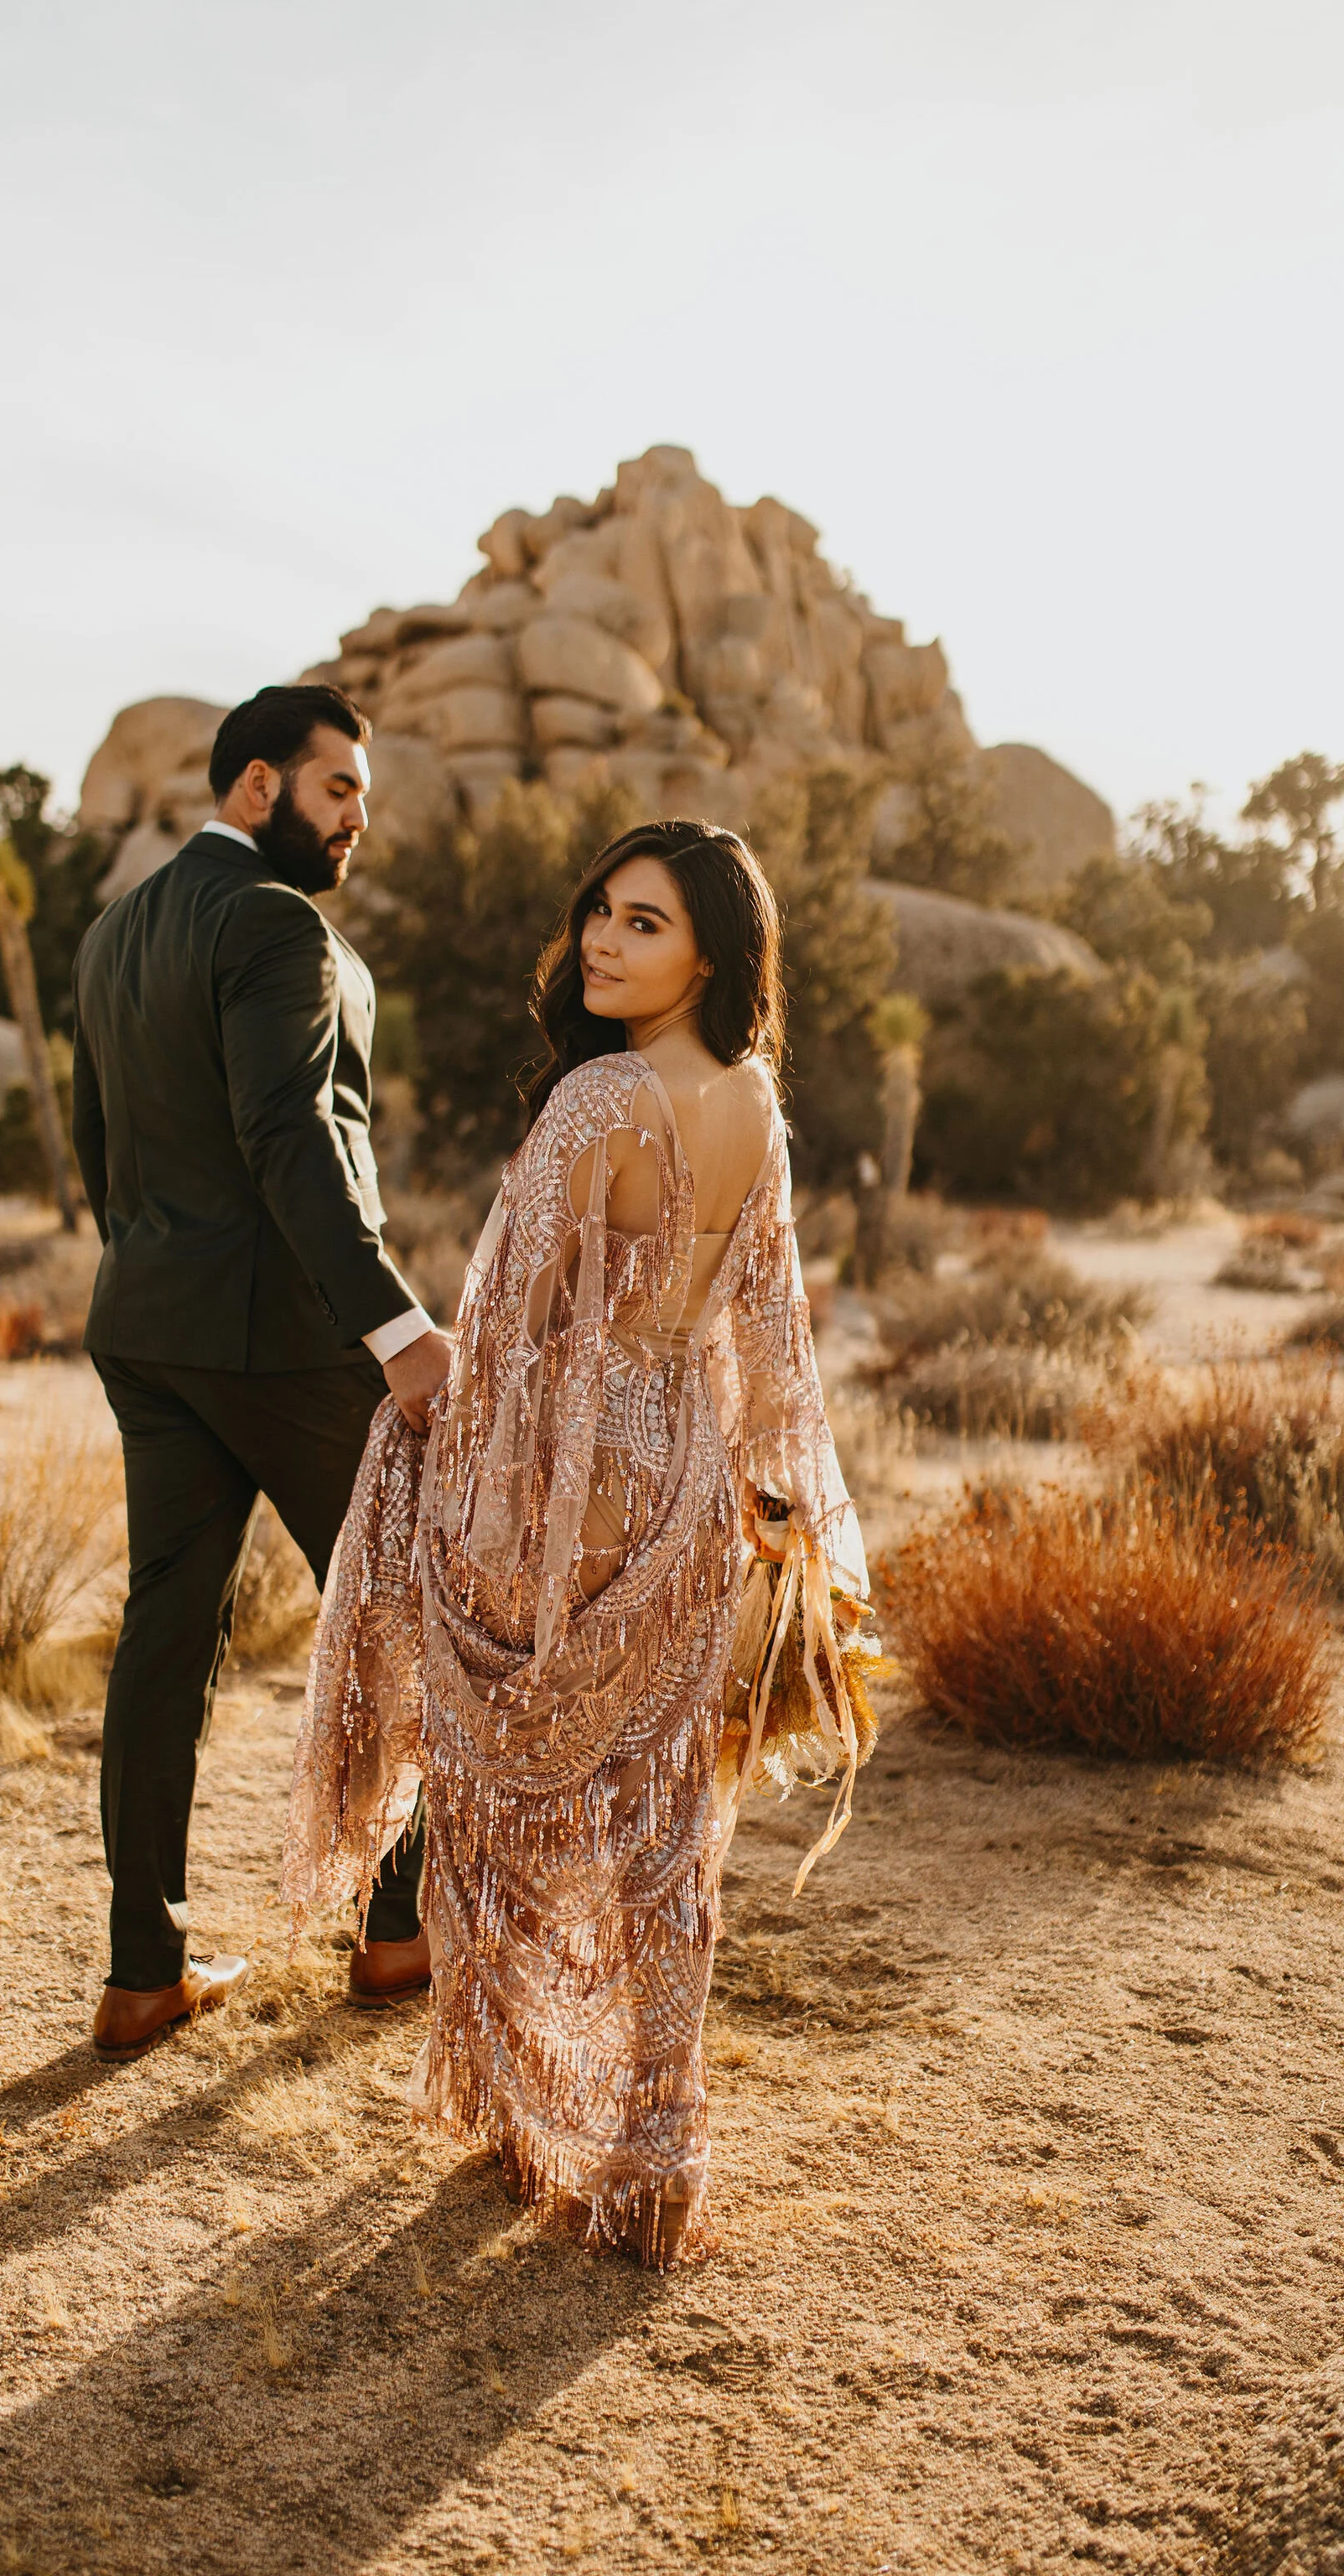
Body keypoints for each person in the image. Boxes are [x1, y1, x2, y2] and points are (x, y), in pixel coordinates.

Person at [284, 821, 875, 2265]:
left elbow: (503, 1323)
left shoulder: (600, 1100)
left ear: (714, 955)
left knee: (496, 1802)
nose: (604, 942)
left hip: (551, 1485)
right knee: (662, 1828)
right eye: (600, 913)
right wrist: (763, 1495)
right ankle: (658, 2146)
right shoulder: (757, 1103)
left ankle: (517, 2109)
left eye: (646, 924)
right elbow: (770, 1335)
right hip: (678, 1475)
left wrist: (437, 1440)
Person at [72, 683, 451, 2063]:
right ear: (254, 789)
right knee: (401, 1621)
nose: (360, 819)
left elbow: (95, 1139)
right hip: (286, 1338)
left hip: (149, 1325)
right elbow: (293, 1138)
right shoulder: (279, 924)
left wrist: (147, 1268)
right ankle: (399, 1930)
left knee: (166, 1633)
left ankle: (141, 1969)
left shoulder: (115, 933)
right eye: (339, 788)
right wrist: (399, 1328)